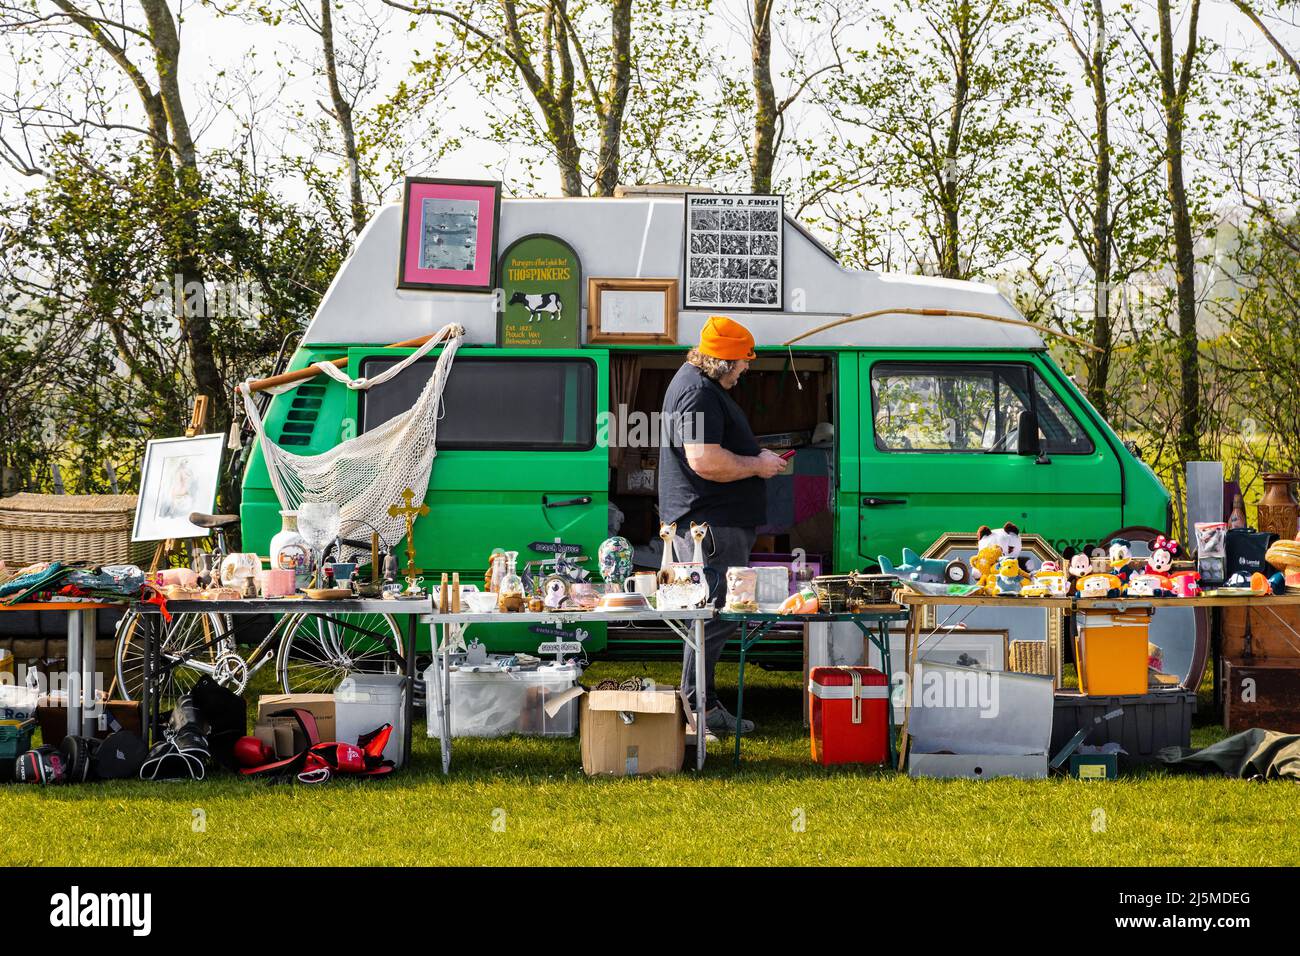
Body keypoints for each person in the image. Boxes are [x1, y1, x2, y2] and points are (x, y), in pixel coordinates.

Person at [658, 315, 786, 740]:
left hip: (710, 524)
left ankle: (700, 705)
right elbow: (704, 461)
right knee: (712, 616)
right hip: (708, 528)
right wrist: (758, 465)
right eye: (743, 362)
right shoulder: (696, 392)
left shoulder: (699, 386)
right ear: (723, 362)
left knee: (709, 617)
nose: (747, 369)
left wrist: (756, 458)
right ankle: (698, 710)